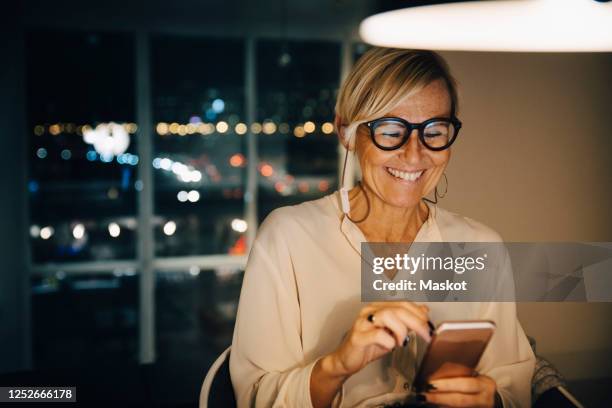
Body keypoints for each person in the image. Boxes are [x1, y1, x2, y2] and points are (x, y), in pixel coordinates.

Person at [229, 47, 535, 408]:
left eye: (435, 130)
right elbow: (256, 398)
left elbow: (513, 387)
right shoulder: (287, 238)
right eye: (391, 130)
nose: (414, 153)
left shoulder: (482, 246)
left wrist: (492, 400)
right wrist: (336, 366)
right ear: (346, 132)